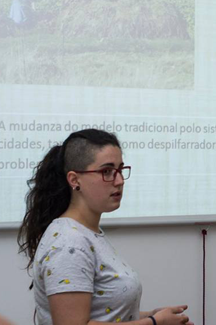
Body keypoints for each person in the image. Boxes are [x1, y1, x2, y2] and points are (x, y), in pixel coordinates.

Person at [17, 129, 193, 325]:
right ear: (75, 180)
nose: (119, 181)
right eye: (106, 171)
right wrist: (153, 322)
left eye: (120, 170)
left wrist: (149, 315)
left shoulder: (87, 233)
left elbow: (104, 312)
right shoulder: (68, 243)